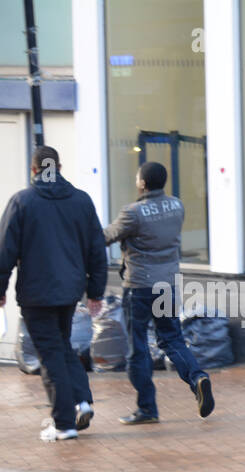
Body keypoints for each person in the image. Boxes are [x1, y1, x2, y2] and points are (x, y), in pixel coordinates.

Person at [0, 145, 106, 442]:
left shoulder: (22, 202)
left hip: (37, 293)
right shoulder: (81, 201)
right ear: (58, 167)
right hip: (69, 292)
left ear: (34, 169)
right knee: (60, 345)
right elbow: (96, 249)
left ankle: (63, 423)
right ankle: (81, 401)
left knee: (50, 354)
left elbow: (5, 251)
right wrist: (95, 291)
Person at [103, 161, 214, 423]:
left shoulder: (133, 212)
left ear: (142, 183)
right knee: (172, 339)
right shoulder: (177, 206)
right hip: (166, 285)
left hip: (140, 287)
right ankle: (197, 377)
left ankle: (147, 409)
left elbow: (106, 236)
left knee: (138, 347)